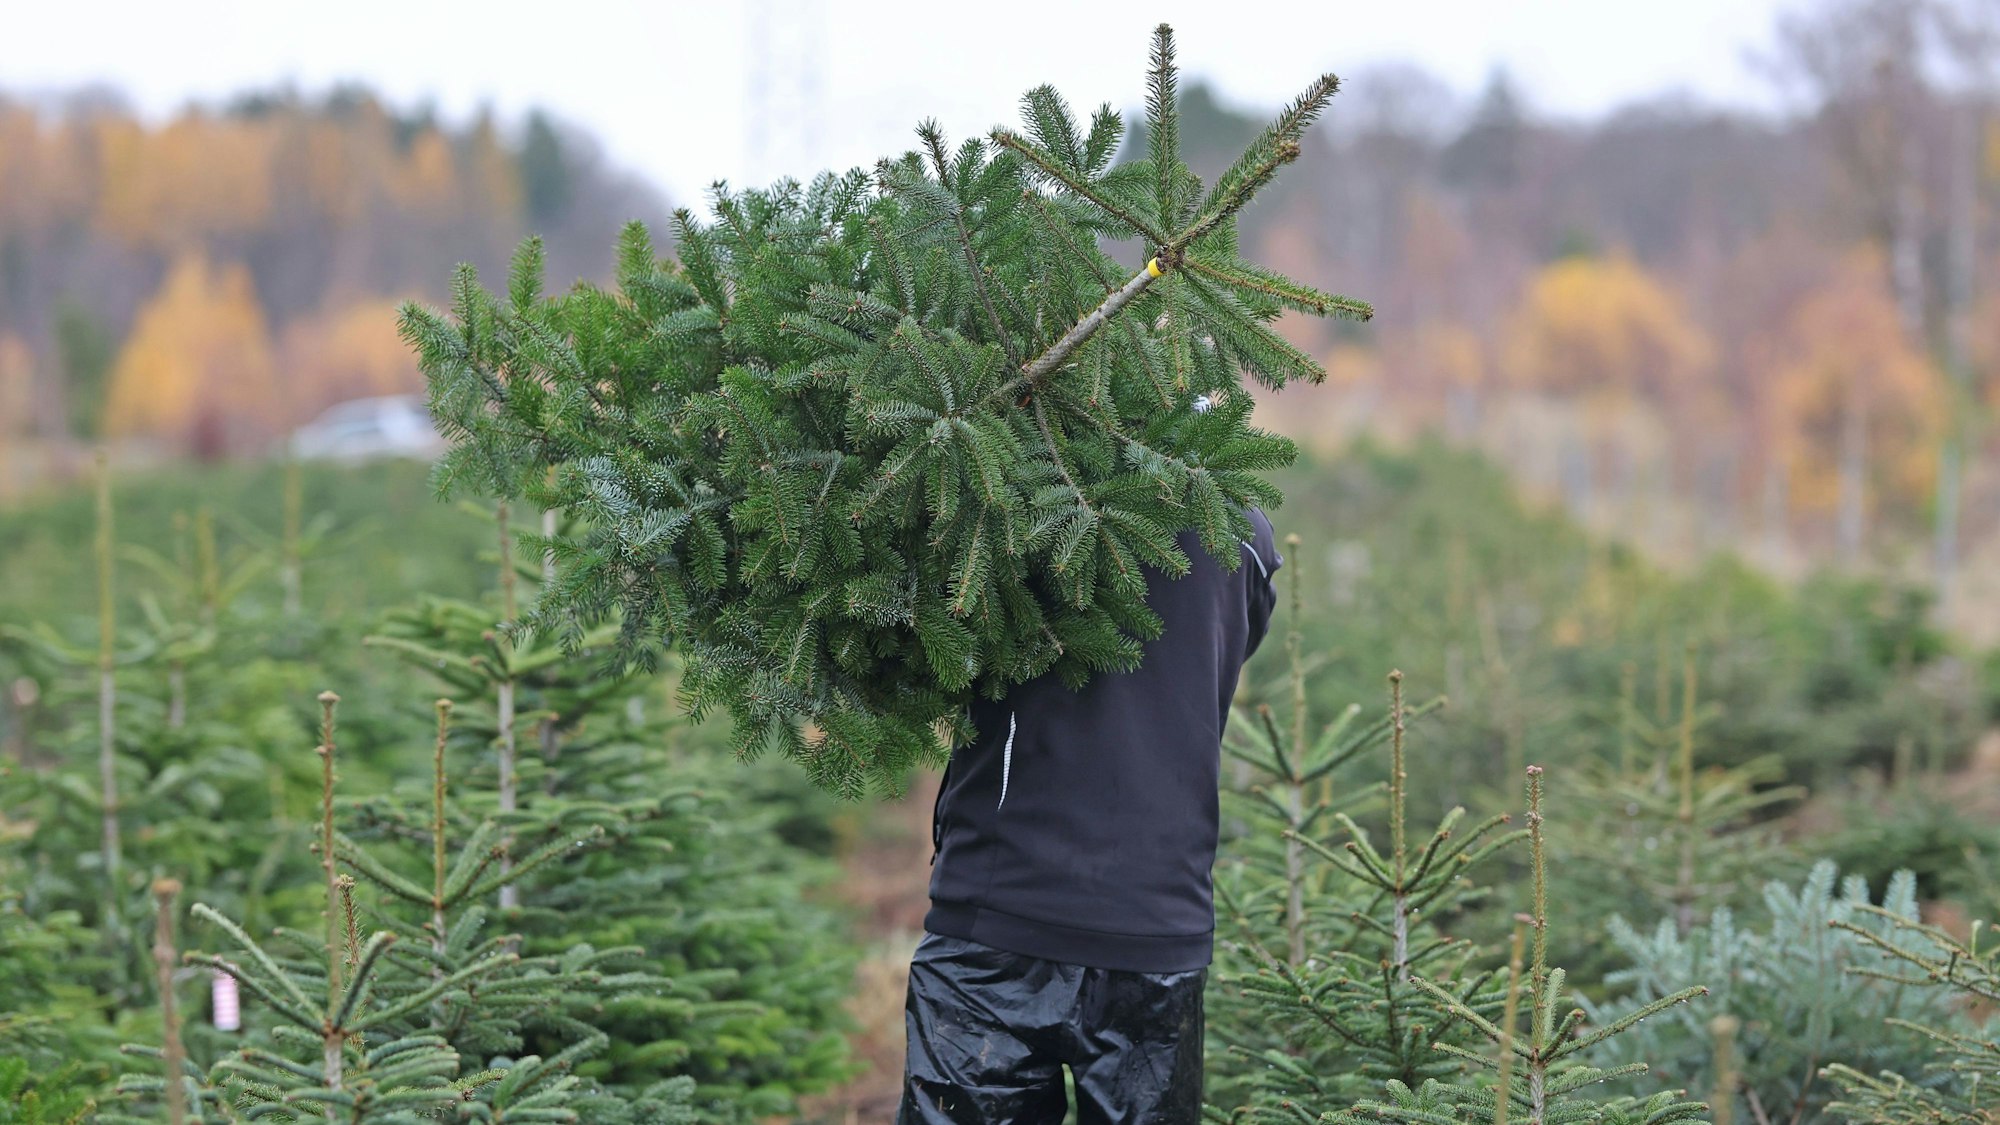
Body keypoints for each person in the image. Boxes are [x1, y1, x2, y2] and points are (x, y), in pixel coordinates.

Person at [898, 508, 1283, 1124]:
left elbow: (918, 646)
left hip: (998, 916)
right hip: (1153, 918)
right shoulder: (1241, 525)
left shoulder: (1009, 482)